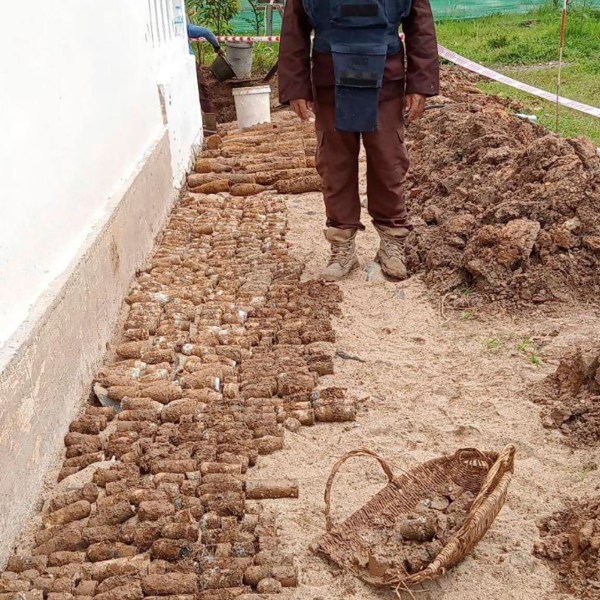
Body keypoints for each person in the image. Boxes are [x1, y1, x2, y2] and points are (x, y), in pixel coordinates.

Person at [279, 0, 439, 281]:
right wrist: (296, 86)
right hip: (331, 80)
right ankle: (342, 246)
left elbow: (420, 25)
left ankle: (392, 242)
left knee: (388, 162)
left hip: (384, 81)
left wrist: (419, 84)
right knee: (334, 164)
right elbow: (295, 27)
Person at [187, 23, 224, 115]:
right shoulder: (181, 26)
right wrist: (217, 47)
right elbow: (206, 32)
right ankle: (210, 120)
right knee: (202, 91)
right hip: (188, 63)